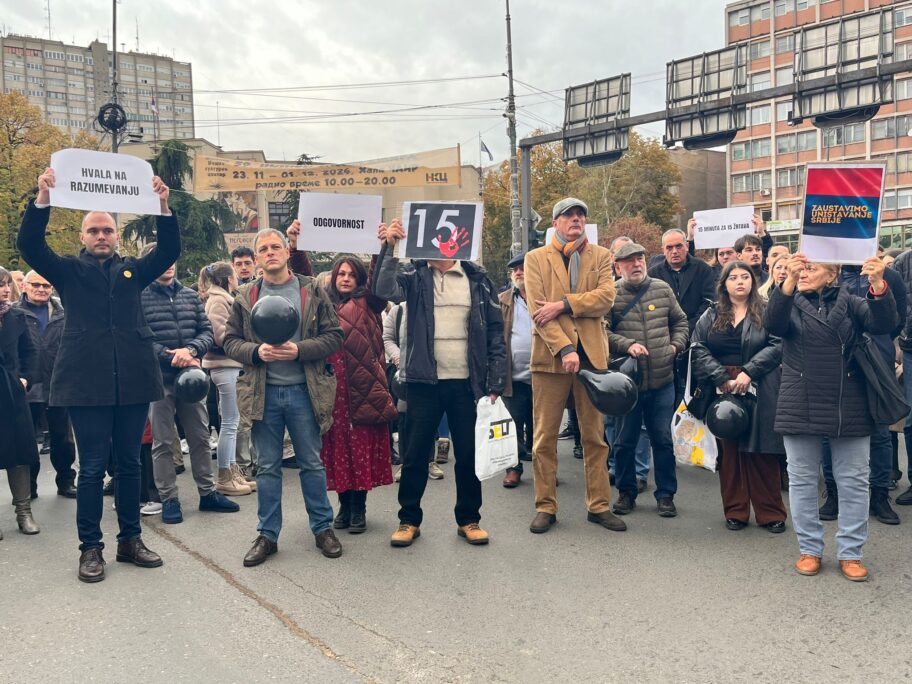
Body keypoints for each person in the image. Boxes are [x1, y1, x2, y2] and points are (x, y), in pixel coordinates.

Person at [17, 167, 177, 583]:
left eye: (108, 229)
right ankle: (91, 548)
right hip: (86, 384)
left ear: (117, 237)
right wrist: (43, 199)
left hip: (133, 380)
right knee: (91, 468)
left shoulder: (133, 271)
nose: (101, 235)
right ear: (83, 237)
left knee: (127, 465)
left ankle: (130, 540)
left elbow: (168, 250)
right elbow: (30, 245)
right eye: (94, 230)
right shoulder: (68, 270)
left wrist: (163, 205)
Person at [374, 217, 507, 547]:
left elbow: (494, 331)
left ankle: (469, 519)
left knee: (467, 455)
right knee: (416, 454)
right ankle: (408, 520)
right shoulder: (414, 275)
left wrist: (495, 380)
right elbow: (382, 289)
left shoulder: (477, 279)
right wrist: (389, 246)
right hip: (423, 382)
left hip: (466, 383)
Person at [766, 253, 896, 582]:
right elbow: (773, 325)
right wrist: (789, 282)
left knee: (853, 480)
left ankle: (851, 552)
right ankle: (810, 549)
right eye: (801, 267)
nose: (804, 272)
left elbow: (883, 324)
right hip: (800, 400)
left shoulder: (852, 302)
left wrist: (879, 285)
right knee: (802, 480)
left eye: (812, 268)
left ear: (832, 273)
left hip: (848, 401)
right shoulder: (788, 300)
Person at [224, 228, 344, 565]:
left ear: (287, 252)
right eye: (264, 248)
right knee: (267, 467)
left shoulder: (312, 290)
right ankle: (267, 535)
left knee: (311, 464)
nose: (271, 252)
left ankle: (323, 528)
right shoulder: (246, 295)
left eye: (276, 246)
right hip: (263, 393)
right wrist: (257, 352)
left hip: (306, 393)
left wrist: (299, 350)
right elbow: (230, 342)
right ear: (257, 257)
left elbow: (335, 336)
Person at [523, 197, 625, 534]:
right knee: (544, 439)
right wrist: (566, 348)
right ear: (555, 223)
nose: (576, 219)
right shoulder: (535, 258)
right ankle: (546, 507)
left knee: (595, 437)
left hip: (593, 359)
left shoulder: (600, 256)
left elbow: (606, 298)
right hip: (551, 359)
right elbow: (539, 314)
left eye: (581, 214)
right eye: (568, 215)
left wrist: (563, 304)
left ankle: (599, 506)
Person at [141, 247, 240, 522]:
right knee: (162, 441)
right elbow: (140, 337)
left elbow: (206, 331)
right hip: (159, 379)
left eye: (171, 259)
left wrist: (192, 351)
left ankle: (207, 493)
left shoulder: (190, 295)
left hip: (193, 378)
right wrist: (170, 355)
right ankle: (169, 498)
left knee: (199, 436)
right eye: (162, 260)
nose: (168, 265)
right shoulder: (139, 298)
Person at [691, 260, 787, 532]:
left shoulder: (766, 310)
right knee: (729, 455)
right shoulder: (711, 313)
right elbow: (697, 347)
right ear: (724, 284)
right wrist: (721, 377)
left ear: (753, 282)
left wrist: (748, 373)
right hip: (721, 387)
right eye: (733, 278)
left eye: (745, 277)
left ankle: (771, 513)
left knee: (761, 451)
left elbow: (778, 344)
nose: (740, 282)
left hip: (759, 384)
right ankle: (735, 511)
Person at [822, 260, 908, 525]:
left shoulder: (888, 274)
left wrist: (872, 339)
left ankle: (879, 494)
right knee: (828, 430)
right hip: (833, 358)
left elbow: (895, 318)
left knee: (879, 429)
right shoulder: (828, 270)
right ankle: (833, 493)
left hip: (875, 356)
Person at [607, 243, 689, 518]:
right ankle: (626, 492)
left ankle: (666, 495)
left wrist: (675, 346)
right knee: (624, 441)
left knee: (663, 441)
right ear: (618, 266)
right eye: (628, 261)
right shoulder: (610, 294)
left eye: (639, 258)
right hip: (627, 385)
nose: (636, 264)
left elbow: (681, 322)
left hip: (662, 380)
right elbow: (600, 333)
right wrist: (627, 344)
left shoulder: (662, 289)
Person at [318, 253, 397, 534]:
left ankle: (359, 507)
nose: (346, 278)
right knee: (338, 448)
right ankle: (344, 504)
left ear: (360, 278)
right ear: (333, 277)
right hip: (333, 389)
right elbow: (301, 281)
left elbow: (379, 276)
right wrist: (295, 247)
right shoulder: (322, 303)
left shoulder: (370, 301)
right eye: (341, 274)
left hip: (362, 387)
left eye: (352, 274)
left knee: (359, 446)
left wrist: (382, 247)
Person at [18, 270, 77, 498]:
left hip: (58, 384)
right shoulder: (14, 313)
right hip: (26, 386)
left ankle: (65, 481)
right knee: (27, 441)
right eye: (36, 285)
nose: (41, 289)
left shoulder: (63, 313)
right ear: (24, 286)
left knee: (62, 438)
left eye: (46, 285)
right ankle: (29, 486)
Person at [200, 261, 255, 496]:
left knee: (232, 421)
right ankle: (225, 474)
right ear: (228, 279)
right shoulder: (219, 300)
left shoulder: (221, 298)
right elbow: (220, 335)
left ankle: (232, 470)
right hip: (225, 363)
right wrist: (243, 340)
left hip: (227, 364)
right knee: (230, 423)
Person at [0, 266, 40, 539]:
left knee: (20, 453)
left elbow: (30, 351)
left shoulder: (15, 315)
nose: (5, 289)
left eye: (5, 284)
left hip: (12, 392)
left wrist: (24, 378)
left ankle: (23, 512)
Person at [500, 252, 534, 488]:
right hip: (512, 376)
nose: (519, 273)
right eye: (515, 270)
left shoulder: (546, 296)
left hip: (543, 375)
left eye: (523, 268)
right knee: (511, 425)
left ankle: (545, 469)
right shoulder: (502, 300)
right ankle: (513, 468)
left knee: (542, 427)